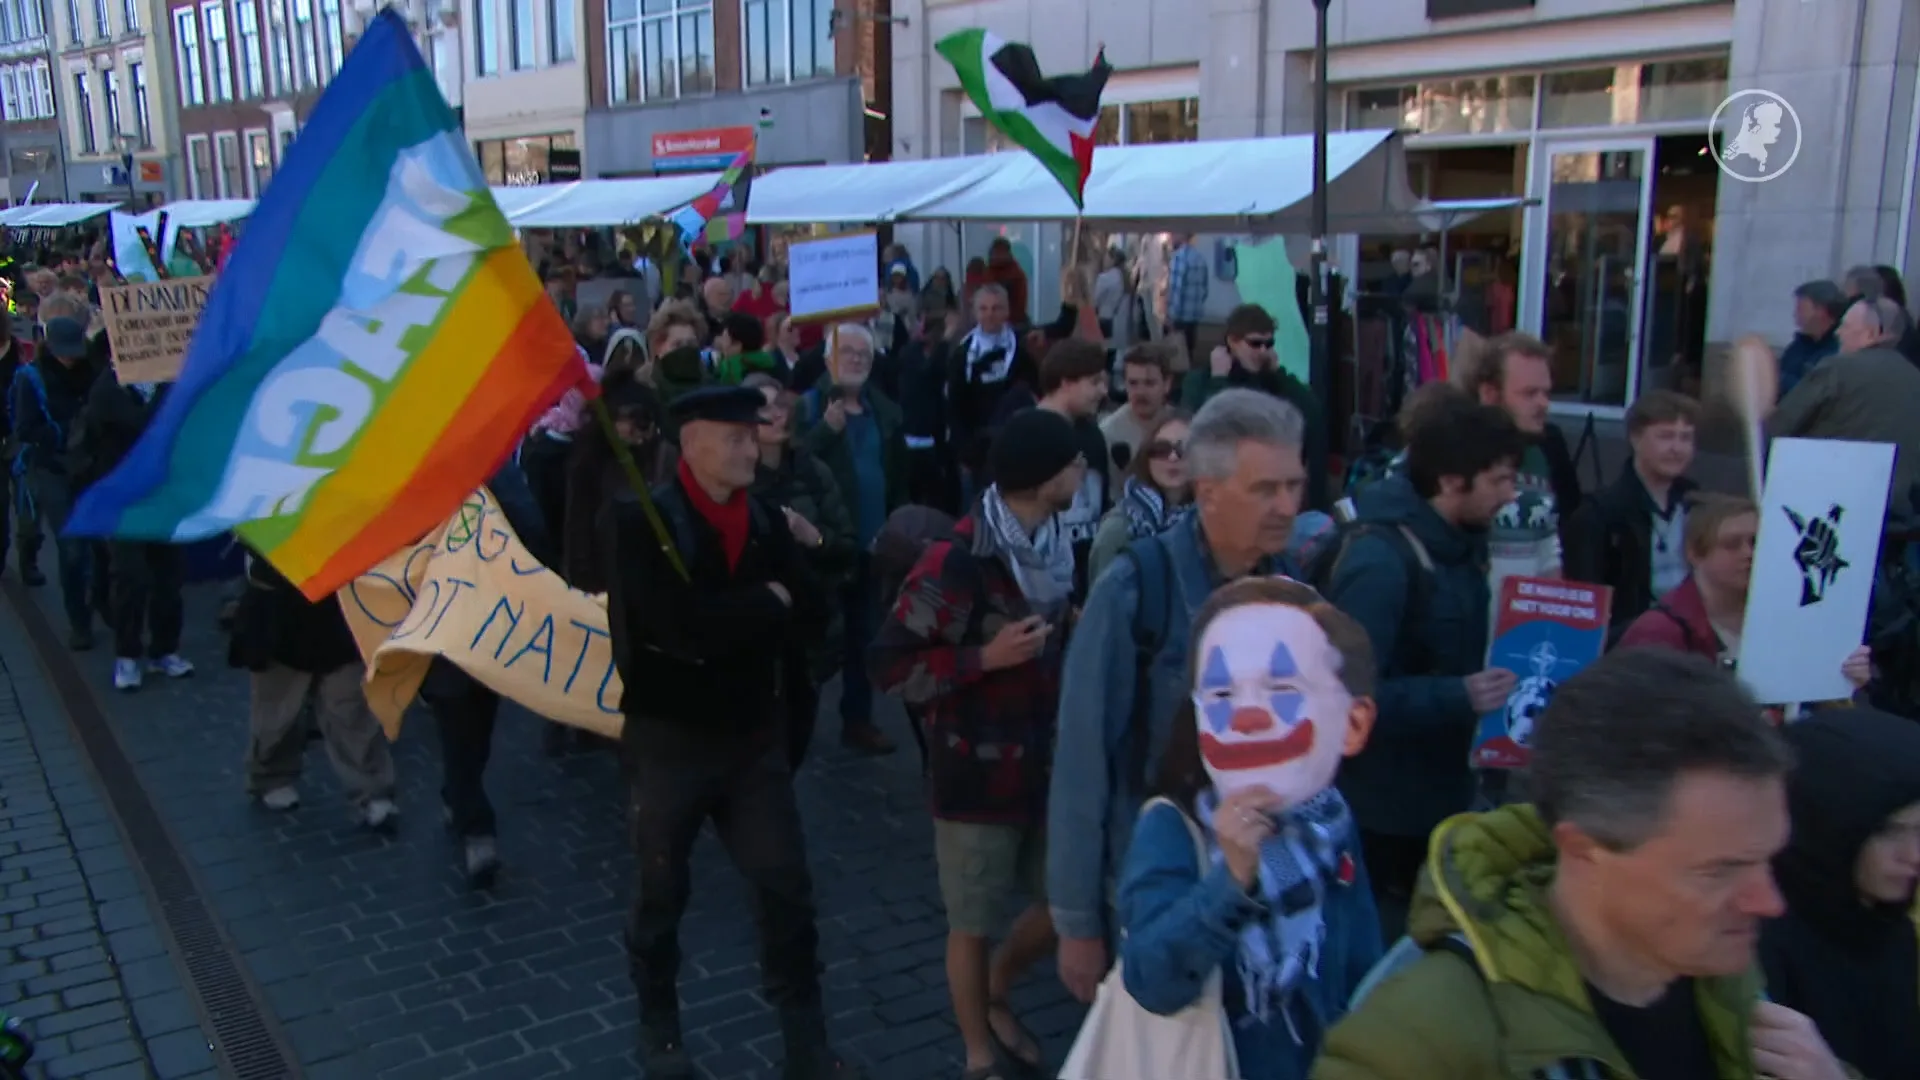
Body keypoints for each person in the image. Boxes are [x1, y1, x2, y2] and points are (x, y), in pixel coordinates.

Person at [1314, 648, 1853, 1080]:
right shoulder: (1421, 1043)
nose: (1769, 902)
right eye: (1718, 871)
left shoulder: (1724, 979)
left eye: (1766, 859)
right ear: (1584, 849)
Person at [599, 385, 859, 1080]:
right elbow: (678, 632)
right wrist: (761, 604)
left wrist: (744, 611)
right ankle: (660, 1027)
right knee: (661, 891)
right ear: (691, 444)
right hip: (667, 747)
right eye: (736, 436)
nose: (754, 445)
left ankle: (805, 1045)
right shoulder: (641, 520)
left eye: (755, 434)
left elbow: (810, 604)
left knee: (785, 891)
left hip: (751, 743)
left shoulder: (767, 521)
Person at [1048, 389, 1312, 1005]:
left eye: (1294, 486)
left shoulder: (1296, 586)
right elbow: (1081, 762)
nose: (1286, 506)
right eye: (1264, 489)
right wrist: (1077, 924)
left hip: (1267, 882)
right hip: (1158, 885)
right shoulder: (1136, 591)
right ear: (1208, 491)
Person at [870, 409, 1084, 1080]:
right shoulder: (958, 561)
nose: (1084, 471)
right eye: (1074, 463)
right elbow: (890, 667)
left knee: (1067, 902)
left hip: (1047, 766)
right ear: (1045, 477)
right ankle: (978, 1055)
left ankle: (1000, 983)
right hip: (975, 776)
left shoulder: (1053, 542)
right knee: (972, 920)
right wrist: (983, 660)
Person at [1119, 577, 1382, 1078]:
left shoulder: (1329, 821)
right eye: (1220, 692)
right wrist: (1230, 880)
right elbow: (1150, 979)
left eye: (1283, 689)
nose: (1247, 716)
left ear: (1353, 724)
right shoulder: (1173, 829)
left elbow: (1362, 969)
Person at [1319, 387, 1526, 941]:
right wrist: (1459, 696)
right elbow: (1348, 695)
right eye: (1500, 480)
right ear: (1452, 481)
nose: (1511, 496)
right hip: (1381, 816)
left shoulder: (1462, 543)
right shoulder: (1382, 560)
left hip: (1440, 797)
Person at [1760, 708, 1920, 1080]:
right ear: (1823, 824)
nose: (1914, 855)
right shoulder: (1752, 946)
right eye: (1887, 831)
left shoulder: (1888, 927)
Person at [420, 458, 553, 888]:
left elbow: (534, 535)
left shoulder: (494, 470)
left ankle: (457, 795)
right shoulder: (404, 478)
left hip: (490, 623)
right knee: (458, 723)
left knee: (475, 729)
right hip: (437, 627)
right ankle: (477, 827)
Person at [1617, 493, 1871, 699]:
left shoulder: (1788, 619)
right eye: (1732, 544)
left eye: (1757, 543)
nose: (1749, 554)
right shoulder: (1659, 632)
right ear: (1695, 553)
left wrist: (1846, 682)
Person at [800, 324, 908, 756]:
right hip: (825, 543)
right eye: (849, 353)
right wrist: (825, 431)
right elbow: (791, 462)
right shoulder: (809, 407)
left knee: (864, 636)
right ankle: (797, 718)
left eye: (865, 353)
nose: (858, 360)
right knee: (818, 637)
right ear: (829, 360)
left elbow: (899, 474)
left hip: (873, 544)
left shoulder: (885, 412)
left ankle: (857, 719)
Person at [231, 554, 399, 829]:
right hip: (279, 611)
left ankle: (372, 790)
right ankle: (271, 775)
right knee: (277, 710)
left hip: (339, 607)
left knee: (350, 708)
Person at [745, 373, 854, 770]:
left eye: (778, 405)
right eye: (762, 407)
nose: (774, 414)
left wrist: (814, 538)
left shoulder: (812, 470)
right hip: (758, 633)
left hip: (809, 630)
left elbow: (846, 545)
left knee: (796, 734)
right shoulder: (738, 481)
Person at [78, 361, 193, 691]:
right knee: (130, 576)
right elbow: (142, 421)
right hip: (122, 498)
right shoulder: (108, 388)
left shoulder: (171, 382)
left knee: (169, 576)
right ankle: (127, 655)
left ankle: (165, 650)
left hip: (163, 495)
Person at [1768, 296, 1920, 524]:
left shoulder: (1836, 369)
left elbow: (1781, 425)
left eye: (1846, 326)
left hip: (1830, 505)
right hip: (1898, 509)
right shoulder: (1915, 378)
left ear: (1871, 334)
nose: (1838, 333)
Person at [1563, 389, 1699, 637]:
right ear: (1636, 439)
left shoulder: (1697, 503)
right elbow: (1586, 605)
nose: (1677, 448)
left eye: (1685, 438)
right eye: (1666, 436)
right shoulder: (1597, 516)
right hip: (1631, 645)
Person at [1182, 305, 1329, 511]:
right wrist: (1219, 380)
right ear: (1233, 342)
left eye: (1269, 344)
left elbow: (1312, 415)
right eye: (1255, 343)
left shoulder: (1272, 382)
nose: (1263, 351)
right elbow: (1206, 428)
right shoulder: (1201, 380)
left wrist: (1279, 374)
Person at [10, 316, 99, 648]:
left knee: (96, 545)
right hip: (52, 468)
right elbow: (25, 429)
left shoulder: (92, 370)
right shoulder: (31, 379)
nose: (71, 359)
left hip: (88, 466)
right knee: (72, 546)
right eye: (65, 353)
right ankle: (80, 622)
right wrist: (63, 432)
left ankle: (96, 604)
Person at [945, 284, 1038, 494]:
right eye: (984, 308)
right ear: (975, 312)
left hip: (1016, 448)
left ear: (1006, 311)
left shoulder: (1021, 349)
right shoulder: (963, 354)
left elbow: (1035, 391)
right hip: (977, 452)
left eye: (996, 308)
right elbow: (954, 406)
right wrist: (964, 453)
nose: (990, 315)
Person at [1087, 409, 1190, 584]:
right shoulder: (1120, 529)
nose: (1173, 457)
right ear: (1146, 456)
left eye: (1184, 448)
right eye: (1161, 449)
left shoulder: (1211, 521)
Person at [1098, 342, 1174, 489]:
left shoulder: (1183, 427)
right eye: (1133, 383)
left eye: (1149, 383)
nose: (1140, 392)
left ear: (1167, 384)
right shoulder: (1109, 433)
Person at [1777, 281, 1847, 397]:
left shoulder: (1839, 350)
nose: (1795, 314)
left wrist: (1778, 379)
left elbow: (1813, 393)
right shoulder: (1801, 344)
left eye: (1801, 309)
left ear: (1821, 311)